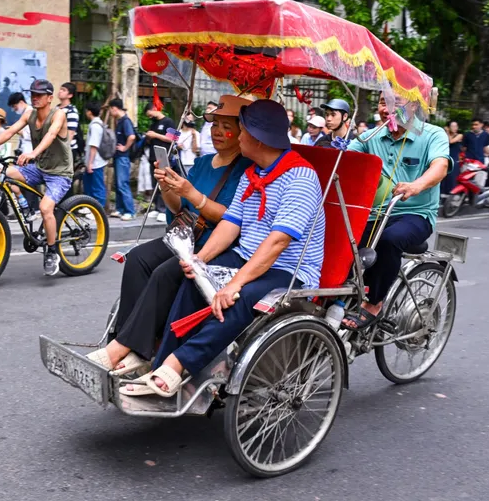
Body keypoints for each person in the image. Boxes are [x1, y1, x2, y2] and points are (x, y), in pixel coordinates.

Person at [122, 99, 325, 397]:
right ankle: (162, 361)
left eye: (241, 131)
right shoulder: (253, 173)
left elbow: (278, 242)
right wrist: (198, 259)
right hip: (247, 256)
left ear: (256, 138)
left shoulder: (300, 178)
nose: (238, 137)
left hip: (288, 269)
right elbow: (231, 223)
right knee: (193, 279)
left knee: (236, 298)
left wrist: (234, 283)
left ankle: (179, 364)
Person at [87, 95, 253, 375]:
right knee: (138, 258)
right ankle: (125, 340)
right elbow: (179, 209)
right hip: (185, 235)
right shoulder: (203, 163)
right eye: (215, 125)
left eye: (227, 126)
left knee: (166, 272)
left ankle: (131, 349)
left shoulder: (245, 170)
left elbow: (229, 217)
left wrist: (192, 193)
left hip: (216, 243)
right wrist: (167, 186)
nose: (218, 132)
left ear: (241, 132)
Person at [342, 94, 451, 330]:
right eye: (383, 102)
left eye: (395, 103)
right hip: (375, 213)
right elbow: (346, 159)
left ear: (413, 105)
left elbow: (440, 167)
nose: (387, 109)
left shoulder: (432, 134)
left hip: (416, 214)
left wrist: (416, 185)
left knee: (390, 239)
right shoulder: (372, 135)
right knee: (342, 239)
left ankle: (374, 303)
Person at [0, 79, 73, 276]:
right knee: (3, 173)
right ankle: (25, 208)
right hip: (40, 168)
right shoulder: (29, 114)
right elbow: (10, 131)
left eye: (39, 95)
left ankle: (52, 252)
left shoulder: (58, 114)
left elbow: (51, 135)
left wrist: (33, 153)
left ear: (50, 98)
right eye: (32, 94)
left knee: (45, 208)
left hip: (60, 173)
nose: (34, 98)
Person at [145, 103, 177, 221]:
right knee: (155, 183)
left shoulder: (168, 122)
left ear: (154, 109)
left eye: (150, 114)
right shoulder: (153, 124)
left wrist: (155, 135)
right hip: (153, 156)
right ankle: (157, 208)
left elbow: (172, 139)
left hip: (164, 156)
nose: (149, 117)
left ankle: (164, 209)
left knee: (164, 182)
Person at [109, 98, 136, 220]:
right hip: (118, 157)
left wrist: (125, 148)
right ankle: (120, 209)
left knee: (122, 184)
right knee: (118, 184)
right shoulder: (120, 121)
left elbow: (131, 136)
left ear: (114, 108)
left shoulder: (125, 121)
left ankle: (130, 211)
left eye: (110, 109)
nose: (110, 112)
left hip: (123, 158)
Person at [82, 100, 108, 208]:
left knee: (97, 187)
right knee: (89, 185)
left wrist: (90, 163)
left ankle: (99, 210)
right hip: (93, 161)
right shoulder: (96, 123)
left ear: (89, 112)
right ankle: (90, 207)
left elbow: (94, 146)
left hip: (96, 162)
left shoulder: (95, 126)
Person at [57, 82, 81, 163]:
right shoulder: (56, 108)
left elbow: (70, 133)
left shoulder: (71, 111)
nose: (60, 91)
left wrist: (63, 149)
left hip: (67, 150)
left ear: (70, 95)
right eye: (60, 89)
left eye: (63, 90)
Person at [443, 120, 462, 195]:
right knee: (444, 177)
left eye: (456, 126)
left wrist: (447, 132)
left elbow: (450, 141)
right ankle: (443, 194)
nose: (455, 128)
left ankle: (452, 194)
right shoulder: (445, 135)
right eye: (452, 126)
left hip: (454, 158)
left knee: (452, 177)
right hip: (445, 158)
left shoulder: (459, 135)